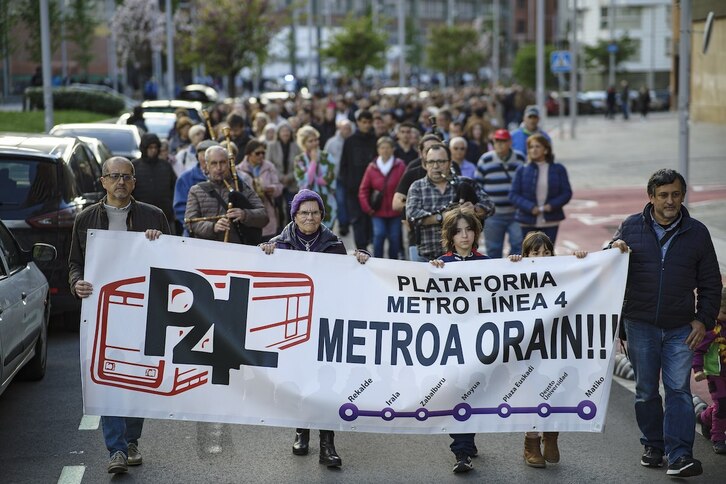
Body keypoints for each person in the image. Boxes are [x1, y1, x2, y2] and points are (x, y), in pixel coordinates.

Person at [610, 168, 722, 478]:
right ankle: (653, 445)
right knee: (646, 391)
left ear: (682, 196)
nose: (669, 201)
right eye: (663, 195)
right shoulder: (630, 227)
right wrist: (612, 250)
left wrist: (703, 321)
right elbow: (605, 267)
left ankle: (679, 455)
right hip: (639, 324)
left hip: (680, 329)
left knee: (678, 390)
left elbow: (711, 282)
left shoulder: (697, 233)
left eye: (675, 194)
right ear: (651, 197)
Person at [68, 156, 170, 474]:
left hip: (141, 311)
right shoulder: (85, 220)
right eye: (114, 176)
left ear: (134, 182)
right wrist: (77, 284)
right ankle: (117, 450)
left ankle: (131, 439)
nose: (120, 182)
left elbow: (173, 259)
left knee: (135, 378)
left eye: (126, 177)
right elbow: (74, 264)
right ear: (103, 181)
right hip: (101, 313)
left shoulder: (153, 216)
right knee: (109, 379)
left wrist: (159, 243)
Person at [259, 189, 369, 469]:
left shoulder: (334, 245)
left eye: (315, 212)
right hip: (293, 325)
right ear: (294, 215)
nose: (310, 217)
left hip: (325, 324)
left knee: (326, 381)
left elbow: (347, 282)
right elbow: (265, 282)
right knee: (299, 379)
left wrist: (361, 264)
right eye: (304, 212)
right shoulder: (278, 246)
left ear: (322, 214)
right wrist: (265, 255)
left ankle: (327, 444)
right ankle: (301, 428)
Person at [508, 231, 587, 468]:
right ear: (526, 255)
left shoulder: (561, 273)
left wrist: (580, 261)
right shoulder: (518, 272)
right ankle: (530, 443)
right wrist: (512, 267)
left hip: (555, 344)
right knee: (530, 392)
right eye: (535, 253)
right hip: (527, 345)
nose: (542, 257)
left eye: (547, 252)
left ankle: (551, 434)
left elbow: (586, 283)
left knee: (556, 388)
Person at [429, 208, 488, 473]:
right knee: (458, 392)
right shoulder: (440, 264)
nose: (464, 235)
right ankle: (461, 451)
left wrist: (515, 264)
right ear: (450, 236)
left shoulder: (489, 263)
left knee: (475, 392)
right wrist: (431, 272)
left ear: (475, 232)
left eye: (469, 229)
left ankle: (468, 438)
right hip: (452, 342)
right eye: (458, 231)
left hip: (482, 342)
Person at [405, 143, 494, 261]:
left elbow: (490, 206)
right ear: (425, 164)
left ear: (449, 163)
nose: (435, 166)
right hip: (427, 257)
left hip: (460, 258)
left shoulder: (465, 182)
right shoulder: (417, 187)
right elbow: (412, 216)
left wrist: (475, 210)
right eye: (431, 162)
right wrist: (442, 217)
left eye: (441, 161)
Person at [185, 145, 268, 244]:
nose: (219, 168)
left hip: (236, 249)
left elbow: (264, 216)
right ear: (207, 166)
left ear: (229, 164)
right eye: (214, 163)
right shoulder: (196, 191)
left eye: (223, 162)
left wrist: (244, 214)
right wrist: (213, 227)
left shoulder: (240, 187)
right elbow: (189, 222)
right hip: (206, 249)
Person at [509, 133, 571, 244]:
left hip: (551, 220)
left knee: (547, 253)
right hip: (527, 220)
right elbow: (513, 195)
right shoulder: (522, 170)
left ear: (546, 149)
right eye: (531, 147)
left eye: (537, 146)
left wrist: (551, 205)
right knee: (529, 254)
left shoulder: (558, 169)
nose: (534, 150)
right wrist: (530, 207)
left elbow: (566, 193)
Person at [476, 129, 526, 258]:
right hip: (493, 214)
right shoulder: (485, 159)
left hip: (516, 212)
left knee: (518, 245)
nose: (499, 144)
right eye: (497, 141)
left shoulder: (520, 158)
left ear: (510, 142)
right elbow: (477, 186)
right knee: (493, 248)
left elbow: (526, 182)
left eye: (503, 141)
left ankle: (514, 271)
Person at [358, 136, 406, 259]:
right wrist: (367, 208)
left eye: (388, 148)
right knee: (379, 235)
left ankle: (393, 263)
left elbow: (406, 187)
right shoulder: (372, 167)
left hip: (395, 211)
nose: (385, 150)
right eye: (382, 148)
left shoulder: (400, 166)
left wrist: (403, 206)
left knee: (395, 238)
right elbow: (363, 190)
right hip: (377, 211)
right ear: (378, 149)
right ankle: (377, 262)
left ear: (393, 149)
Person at [693, 287, 726, 455]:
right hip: (716, 374)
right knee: (722, 404)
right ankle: (718, 438)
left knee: (723, 405)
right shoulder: (712, 330)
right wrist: (698, 369)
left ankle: (705, 417)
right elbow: (699, 350)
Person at [339, 110, 377, 250]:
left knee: (369, 220)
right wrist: (347, 183)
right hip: (353, 189)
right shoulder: (350, 141)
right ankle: (361, 249)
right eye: (363, 122)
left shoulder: (375, 140)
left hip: (372, 189)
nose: (366, 125)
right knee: (357, 220)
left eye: (369, 122)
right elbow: (344, 164)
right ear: (358, 123)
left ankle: (368, 245)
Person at [237, 140, 283, 241]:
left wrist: (272, 189)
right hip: (249, 214)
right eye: (257, 153)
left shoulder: (269, 167)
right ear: (249, 154)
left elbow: (279, 186)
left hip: (268, 212)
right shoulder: (238, 170)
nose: (261, 156)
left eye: (263, 153)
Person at [131, 133, 177, 234]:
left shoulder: (166, 166)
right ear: (144, 148)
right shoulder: (134, 166)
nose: (153, 150)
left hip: (165, 216)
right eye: (150, 147)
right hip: (140, 217)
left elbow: (174, 188)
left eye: (155, 147)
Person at [294, 126, 337, 228]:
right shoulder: (299, 160)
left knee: (327, 232)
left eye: (316, 140)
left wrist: (315, 178)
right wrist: (313, 161)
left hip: (327, 200)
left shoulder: (326, 156)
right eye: (310, 141)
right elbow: (306, 181)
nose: (315, 143)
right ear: (303, 143)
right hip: (307, 202)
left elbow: (328, 179)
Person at [173, 139, 218, 236]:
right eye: (204, 155)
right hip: (194, 235)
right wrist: (199, 227)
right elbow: (180, 209)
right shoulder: (185, 178)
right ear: (197, 157)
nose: (207, 159)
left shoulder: (227, 178)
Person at [324, 119, 354, 236]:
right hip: (337, 176)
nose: (346, 130)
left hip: (350, 176)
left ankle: (348, 221)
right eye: (344, 128)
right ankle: (343, 224)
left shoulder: (352, 141)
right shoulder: (331, 142)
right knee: (340, 201)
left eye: (348, 128)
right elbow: (325, 159)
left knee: (348, 201)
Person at [268, 123, 301, 224]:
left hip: (292, 183)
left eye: (287, 131)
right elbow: (269, 163)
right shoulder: (272, 146)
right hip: (276, 181)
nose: (285, 133)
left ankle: (290, 229)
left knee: (290, 208)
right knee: (278, 209)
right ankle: (279, 231)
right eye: (283, 131)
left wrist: (290, 176)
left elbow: (299, 165)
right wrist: (280, 177)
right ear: (278, 133)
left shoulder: (296, 147)